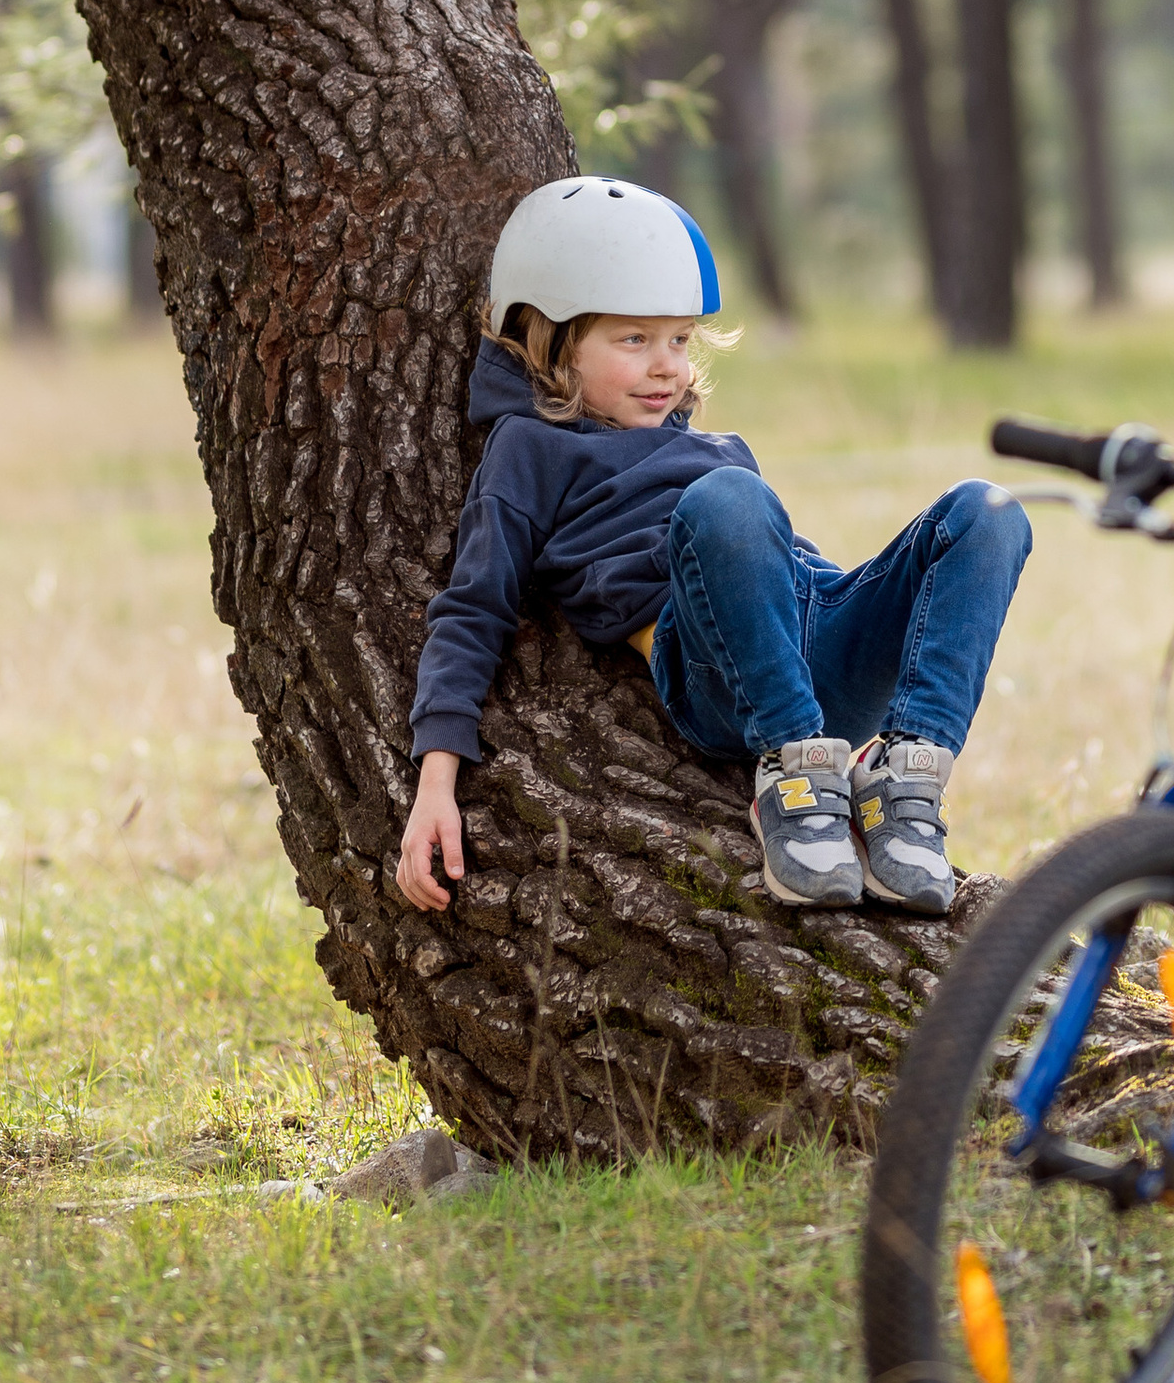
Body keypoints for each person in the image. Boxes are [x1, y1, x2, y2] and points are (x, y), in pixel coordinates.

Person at [394, 177, 1030, 920]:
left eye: (679, 340)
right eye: (634, 339)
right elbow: (474, 607)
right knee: (729, 498)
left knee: (988, 513)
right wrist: (436, 779)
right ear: (552, 338)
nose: (668, 366)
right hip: (714, 671)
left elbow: (783, 565)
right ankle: (792, 779)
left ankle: (904, 778)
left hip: (814, 640)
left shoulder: (716, 448)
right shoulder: (528, 449)